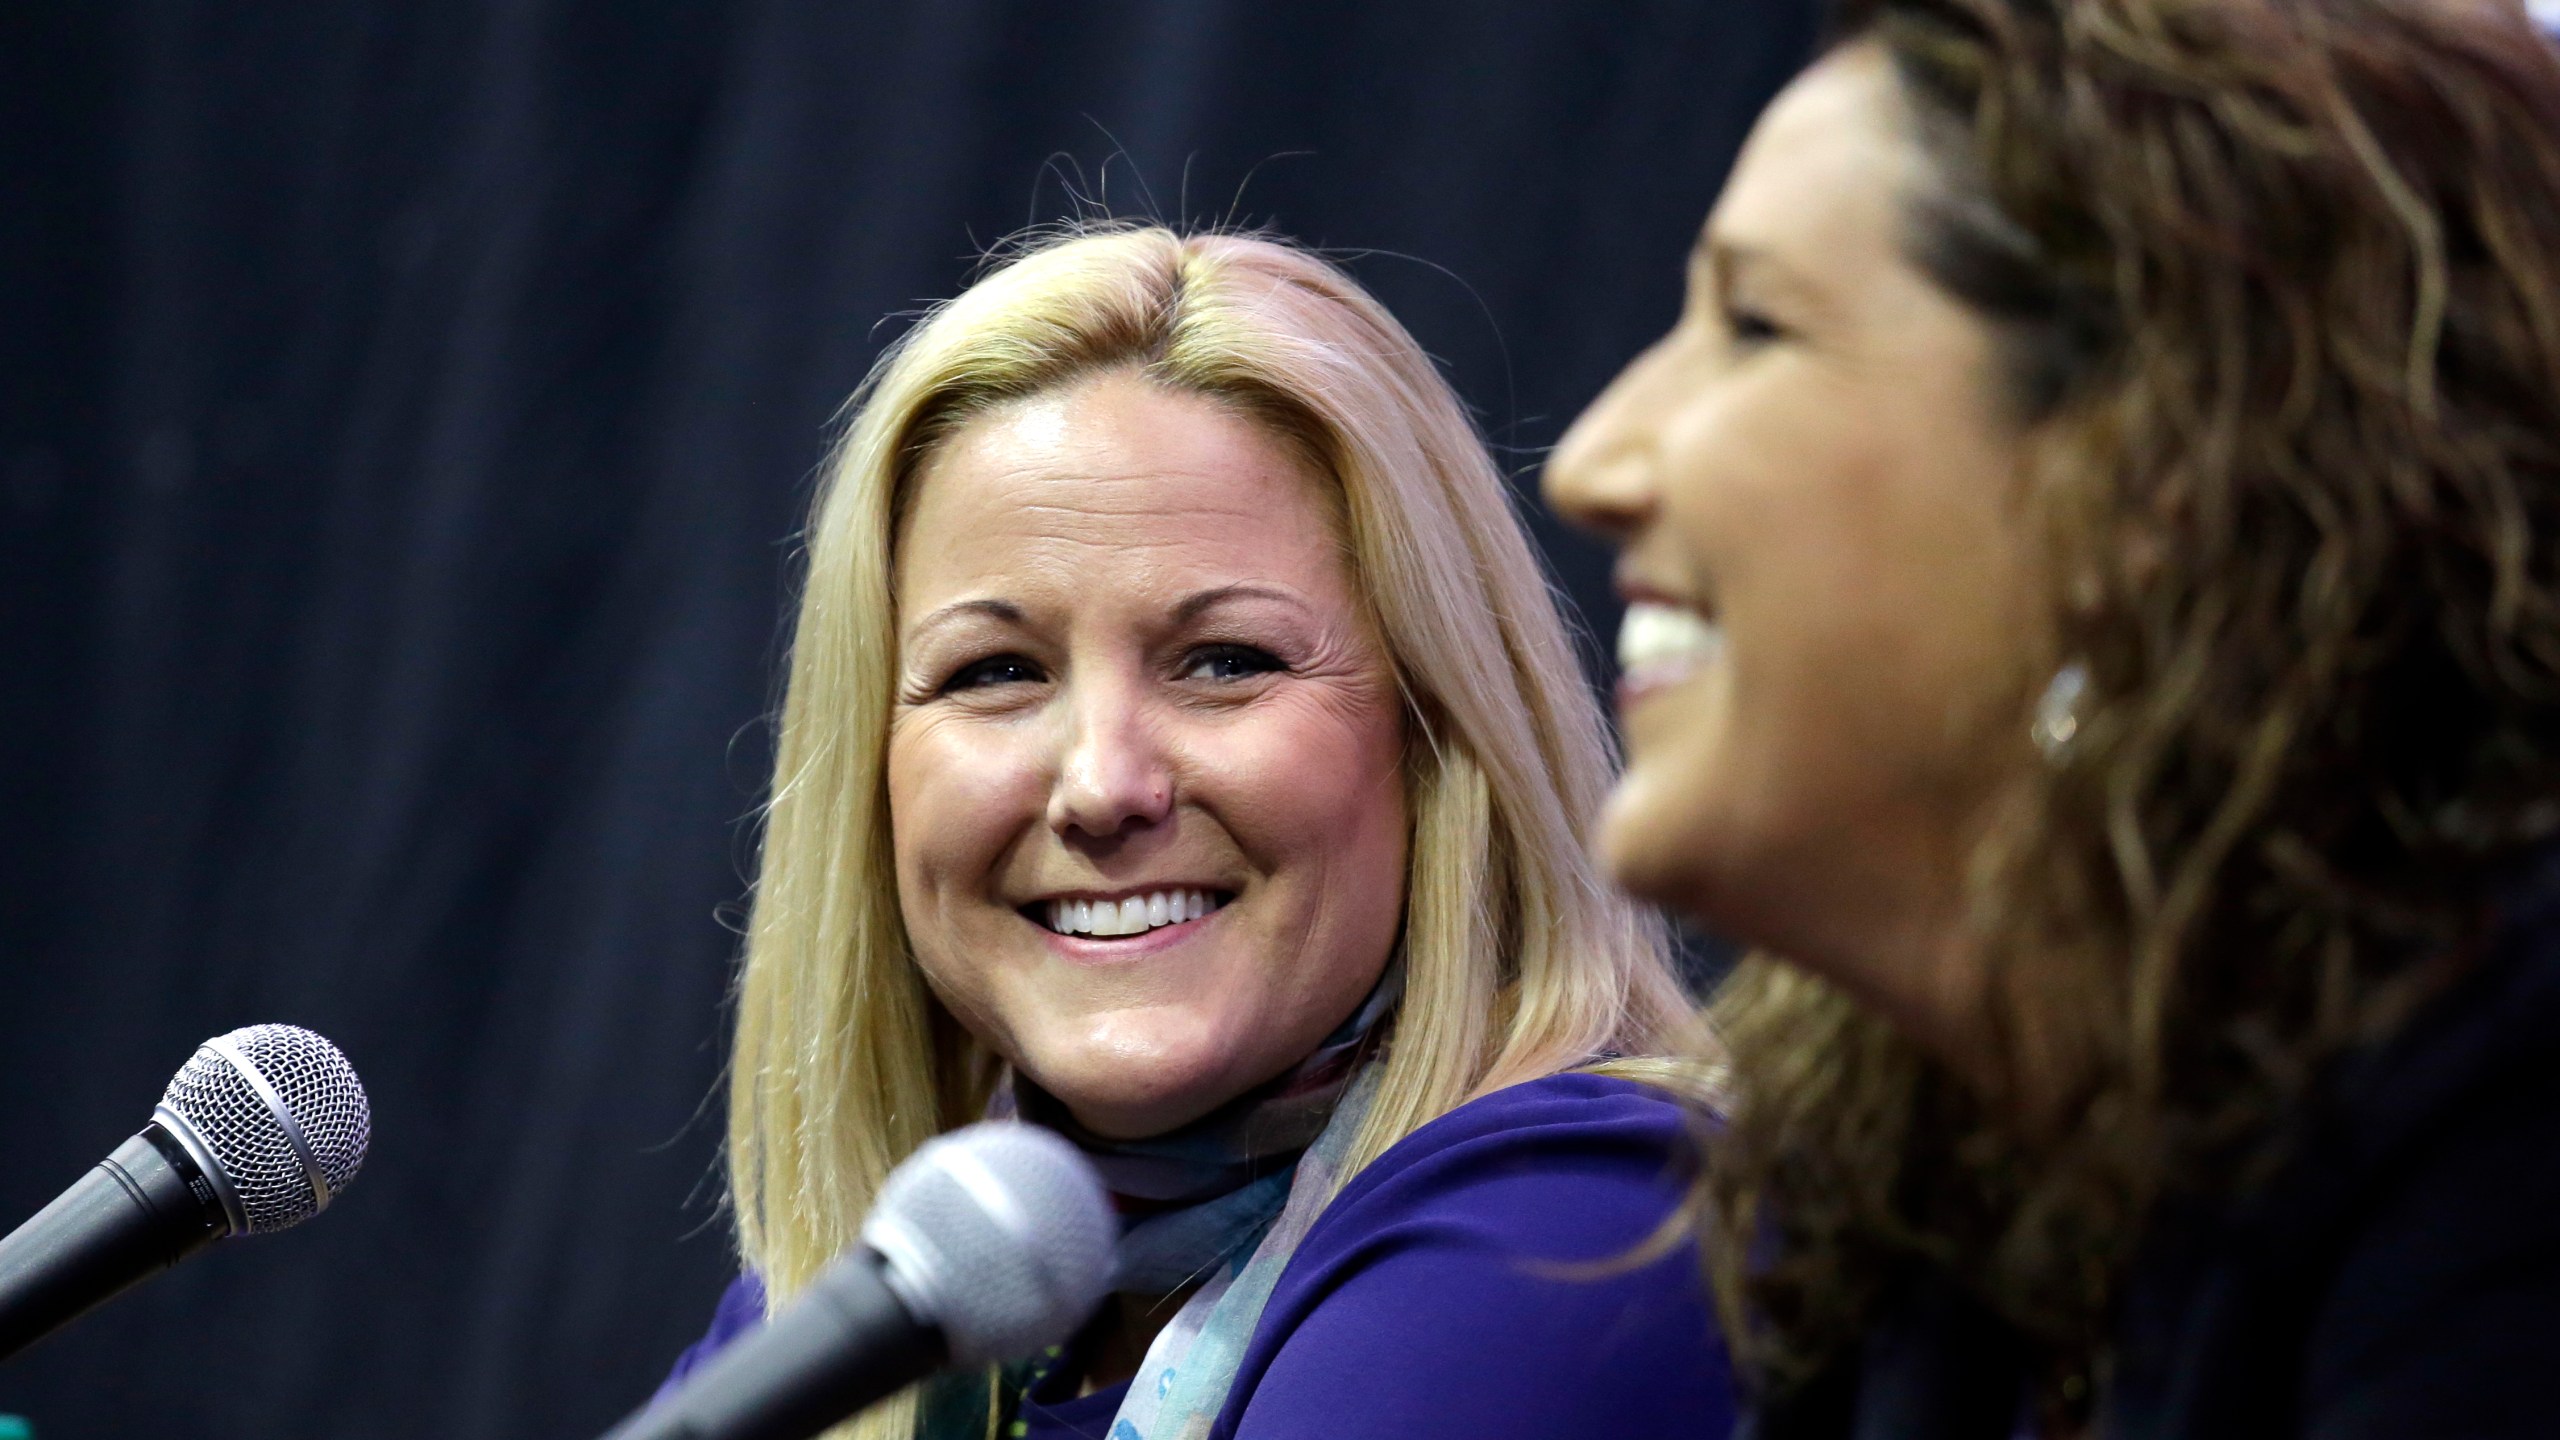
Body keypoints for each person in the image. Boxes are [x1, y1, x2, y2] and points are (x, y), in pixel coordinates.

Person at [1546, 0, 2560, 1436]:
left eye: (1755, 323)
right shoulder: (1913, 1198)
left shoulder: (2504, 1107)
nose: (1591, 460)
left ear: (2149, 467)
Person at [659, 226, 1732, 1440]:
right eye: (997, 671)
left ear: (1437, 736)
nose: (1104, 785)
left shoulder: (1578, 1228)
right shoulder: (901, 1299)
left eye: (1225, 662)